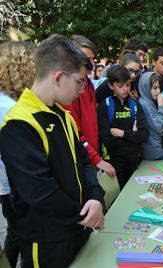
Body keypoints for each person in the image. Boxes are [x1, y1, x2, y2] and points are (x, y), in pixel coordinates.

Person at [0, 34, 105, 267]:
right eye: (80, 81)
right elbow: (39, 190)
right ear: (59, 77)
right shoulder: (18, 123)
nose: (83, 89)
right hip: (47, 240)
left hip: (78, 227)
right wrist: (85, 214)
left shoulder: (63, 115)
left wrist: (96, 198)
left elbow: (84, 163)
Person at [0, 41, 36, 268]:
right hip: (12, 183)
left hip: (11, 182)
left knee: (16, 231)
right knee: (20, 233)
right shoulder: (9, 105)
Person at [64, 35, 116, 177]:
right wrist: (95, 158)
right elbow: (74, 130)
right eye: (86, 59)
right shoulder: (69, 88)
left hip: (93, 155)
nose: (91, 64)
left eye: (92, 59)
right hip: (82, 160)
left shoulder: (88, 82)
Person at [97, 65, 148, 189]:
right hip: (114, 162)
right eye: (120, 86)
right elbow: (107, 139)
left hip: (135, 160)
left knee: (135, 192)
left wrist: (121, 133)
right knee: (117, 196)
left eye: (128, 85)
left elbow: (144, 135)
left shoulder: (135, 104)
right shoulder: (105, 106)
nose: (125, 89)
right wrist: (132, 134)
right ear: (111, 86)